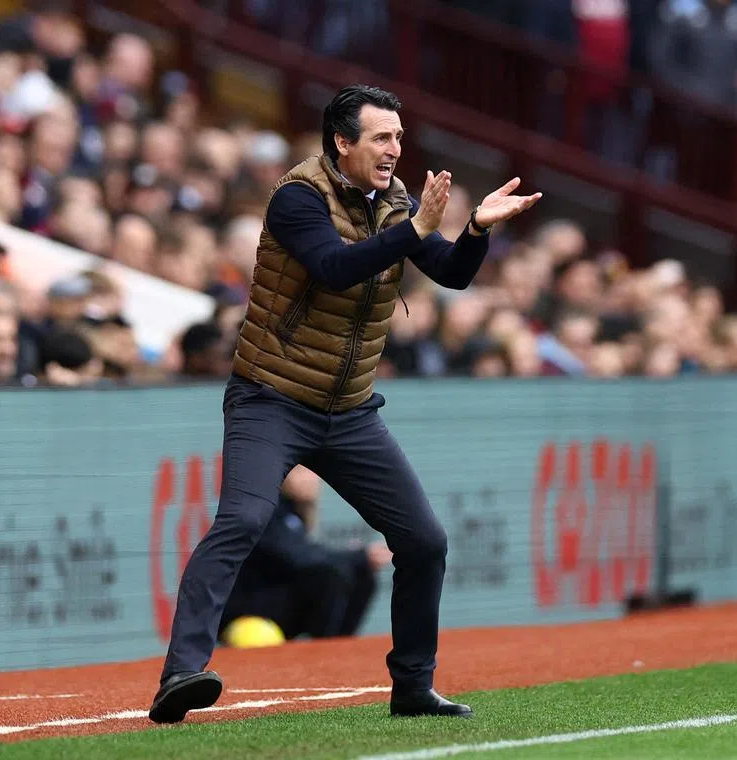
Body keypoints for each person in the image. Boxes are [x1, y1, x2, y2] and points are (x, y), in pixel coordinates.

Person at [148, 84, 541, 724]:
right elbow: (333, 267)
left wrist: (473, 230)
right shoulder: (298, 197)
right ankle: (181, 673)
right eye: (382, 138)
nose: (395, 150)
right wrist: (414, 227)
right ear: (342, 142)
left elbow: (451, 271)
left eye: (399, 139)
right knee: (243, 521)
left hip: (350, 409)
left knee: (425, 541)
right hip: (270, 397)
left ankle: (413, 686)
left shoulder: (395, 204)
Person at [219, 466, 390, 644]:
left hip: (279, 603)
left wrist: (359, 560)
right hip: (248, 613)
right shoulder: (267, 510)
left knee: (362, 574)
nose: (309, 479)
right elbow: (299, 557)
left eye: (313, 473)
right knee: (331, 575)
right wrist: (359, 556)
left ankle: (340, 646)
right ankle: (322, 650)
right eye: (300, 472)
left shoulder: (296, 512)